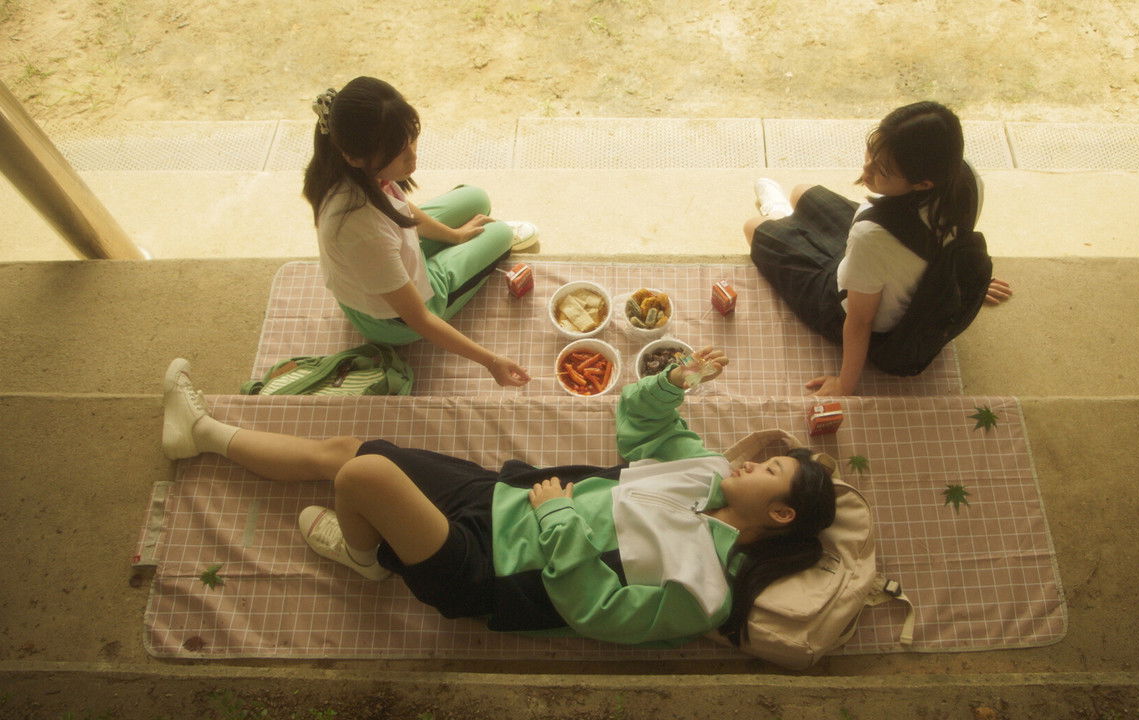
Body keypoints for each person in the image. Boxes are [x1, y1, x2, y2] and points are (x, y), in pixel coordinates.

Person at [160, 350, 836, 648]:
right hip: (502, 499)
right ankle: (203, 434)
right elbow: (640, 424)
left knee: (364, 477)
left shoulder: (705, 590)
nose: (751, 460)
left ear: (780, 513)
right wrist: (672, 384)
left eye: (770, 468)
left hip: (487, 571)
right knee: (347, 449)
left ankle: (364, 559)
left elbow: (599, 615)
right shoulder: (706, 470)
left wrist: (560, 517)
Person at [743, 101, 1013, 396]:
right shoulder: (966, 179)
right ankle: (787, 222)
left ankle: (778, 215)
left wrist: (844, 384)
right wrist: (960, 282)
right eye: (872, 152)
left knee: (753, 227)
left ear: (923, 184)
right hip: (884, 261)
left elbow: (860, 320)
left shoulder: (872, 236)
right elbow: (952, 241)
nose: (867, 169)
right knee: (802, 192)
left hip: (845, 301)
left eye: (883, 169)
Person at [303, 76, 533, 388]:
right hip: (394, 320)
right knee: (501, 233)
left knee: (476, 198)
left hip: (389, 261)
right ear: (354, 157)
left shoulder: (351, 169)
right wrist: (491, 361)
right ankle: (455, 264)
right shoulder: (360, 229)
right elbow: (420, 319)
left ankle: (453, 247)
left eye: (411, 140)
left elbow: (401, 209)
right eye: (397, 153)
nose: (412, 157)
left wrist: (454, 235)